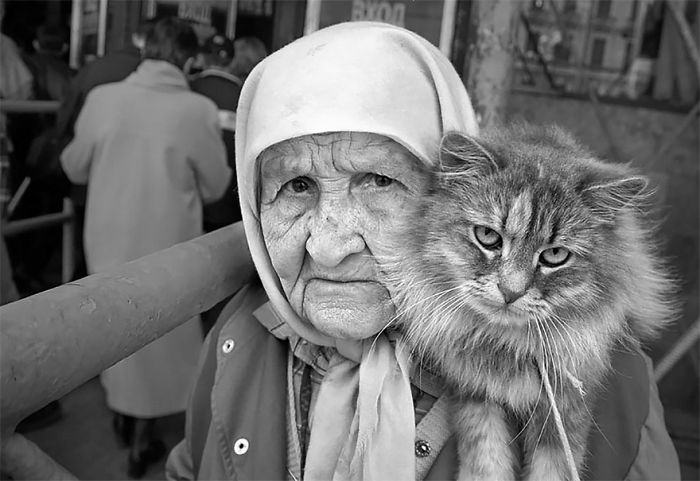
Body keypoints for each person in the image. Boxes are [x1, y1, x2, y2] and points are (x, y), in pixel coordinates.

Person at [165, 22, 680, 480]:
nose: (328, 247)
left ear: (439, 187)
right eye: (296, 187)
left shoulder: (613, 389)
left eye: (378, 180)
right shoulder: (239, 334)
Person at [60, 16, 230, 478]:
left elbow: (74, 166)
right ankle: (144, 433)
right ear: (189, 59)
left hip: (107, 235)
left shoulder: (103, 98)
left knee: (111, 323)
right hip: (168, 241)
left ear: (144, 49)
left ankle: (123, 414)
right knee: (163, 334)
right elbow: (216, 185)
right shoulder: (197, 110)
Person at [190, 34, 243, 233]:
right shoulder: (245, 95)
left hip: (193, 201)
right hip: (232, 205)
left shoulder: (189, 87)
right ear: (232, 61)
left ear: (202, 58)